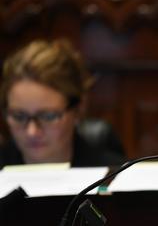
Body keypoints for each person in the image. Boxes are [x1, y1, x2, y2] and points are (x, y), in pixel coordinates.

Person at [0, 39, 125, 167]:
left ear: (78, 110)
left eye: (48, 117)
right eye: (19, 116)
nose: (32, 132)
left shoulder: (115, 174)